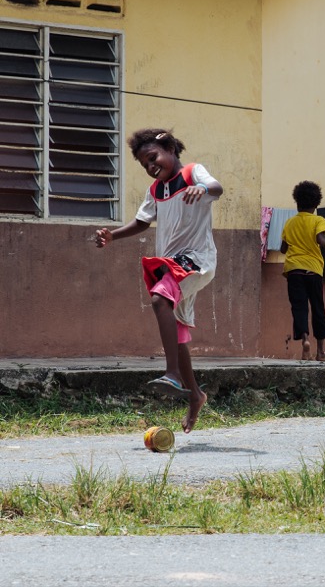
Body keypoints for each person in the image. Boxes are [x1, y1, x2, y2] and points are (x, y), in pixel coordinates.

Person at [94, 129, 222, 434]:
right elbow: (141, 221)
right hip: (173, 263)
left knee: (159, 299)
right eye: (145, 164)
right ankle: (195, 395)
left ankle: (172, 373)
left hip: (195, 260)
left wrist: (202, 190)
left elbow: (216, 187)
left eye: (153, 158)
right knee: (176, 333)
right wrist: (113, 235)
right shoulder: (156, 190)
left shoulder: (193, 172)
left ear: (169, 148)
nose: (151, 166)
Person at [281, 181, 325, 362]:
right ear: (316, 203)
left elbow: (283, 248)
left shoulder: (289, 222)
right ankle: (320, 352)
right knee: (318, 308)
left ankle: (305, 341)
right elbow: (321, 240)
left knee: (299, 307)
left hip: (294, 270)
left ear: (297, 202)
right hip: (313, 270)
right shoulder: (319, 220)